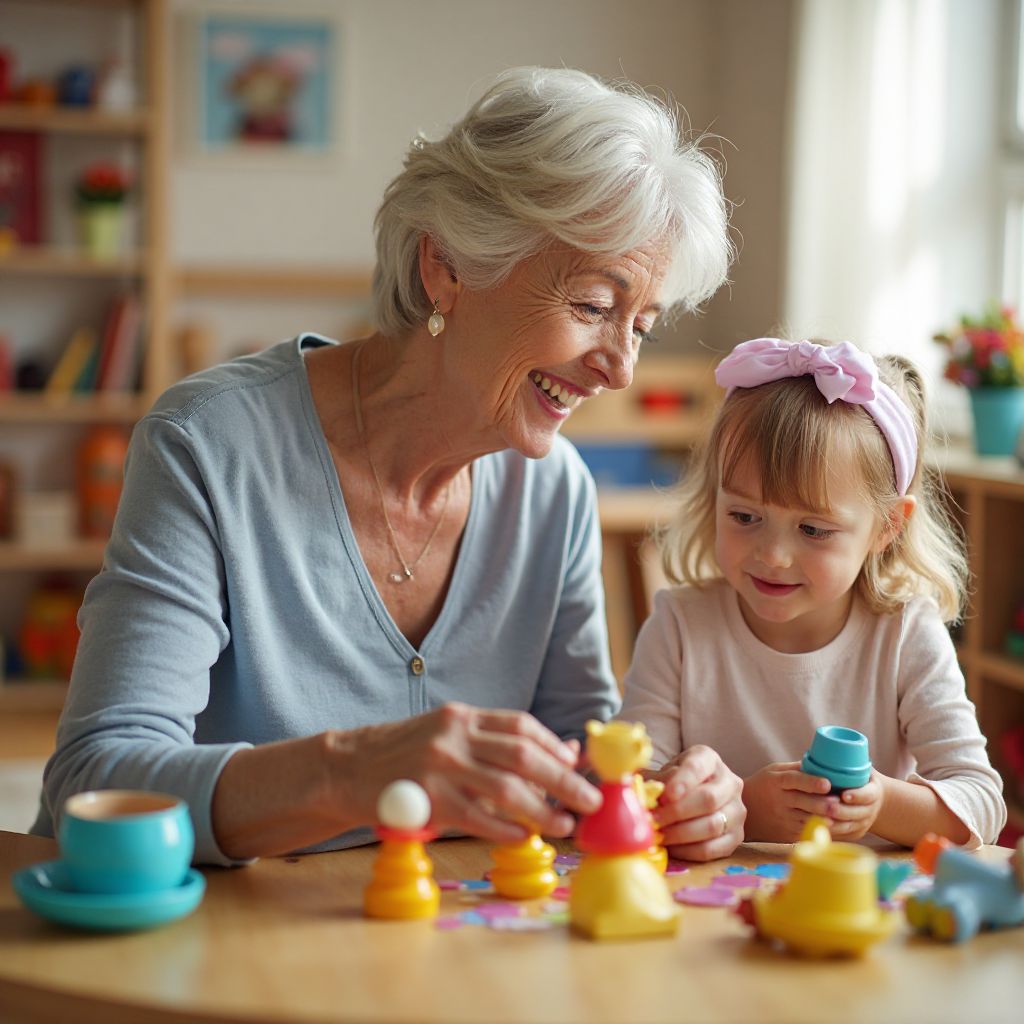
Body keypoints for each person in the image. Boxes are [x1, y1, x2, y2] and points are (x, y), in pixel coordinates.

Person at [33, 66, 743, 865]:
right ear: (446, 266)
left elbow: (577, 764)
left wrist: (667, 797)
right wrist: (356, 772)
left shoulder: (555, 492)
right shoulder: (210, 443)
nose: (620, 368)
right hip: (200, 929)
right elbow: (95, 782)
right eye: (593, 307)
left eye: (641, 326)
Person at [621, 336, 1007, 848]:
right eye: (744, 516)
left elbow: (981, 806)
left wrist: (878, 804)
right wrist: (741, 808)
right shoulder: (679, 626)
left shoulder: (905, 634)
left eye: (813, 530)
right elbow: (626, 793)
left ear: (887, 527)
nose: (774, 555)